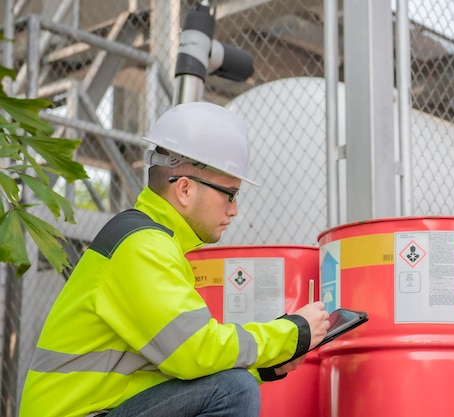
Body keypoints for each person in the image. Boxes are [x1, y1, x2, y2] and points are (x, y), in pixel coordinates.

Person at [19, 101, 330, 417]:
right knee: (234, 389)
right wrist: (294, 332)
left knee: (234, 383)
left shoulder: (151, 243)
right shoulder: (143, 247)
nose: (234, 209)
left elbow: (175, 371)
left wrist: (265, 369)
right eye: (230, 194)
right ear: (184, 189)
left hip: (100, 409)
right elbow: (196, 350)